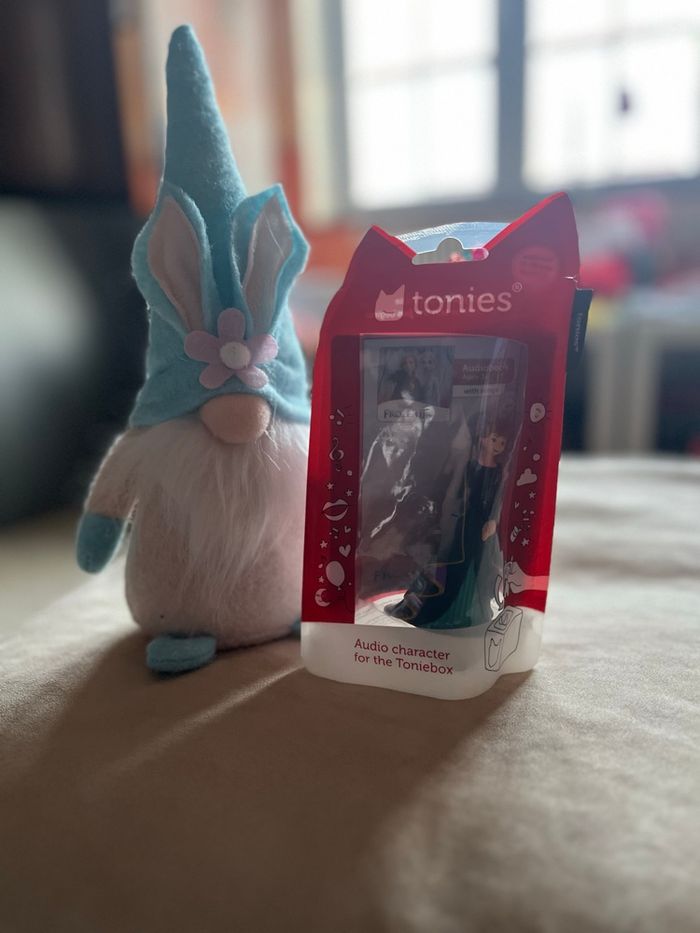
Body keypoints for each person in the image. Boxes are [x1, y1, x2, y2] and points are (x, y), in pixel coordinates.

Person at [385, 410, 510, 629]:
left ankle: (467, 609)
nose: (498, 445)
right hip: (462, 523)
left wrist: (493, 521)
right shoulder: (469, 467)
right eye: (494, 440)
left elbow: (498, 500)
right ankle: (431, 608)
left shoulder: (498, 472)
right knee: (450, 564)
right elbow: (455, 494)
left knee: (476, 567)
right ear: (482, 439)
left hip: (482, 527)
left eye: (502, 442)